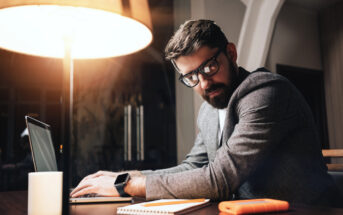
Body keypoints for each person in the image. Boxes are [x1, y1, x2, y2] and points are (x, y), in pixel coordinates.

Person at [71, 19, 341, 207]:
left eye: (209, 67)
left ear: (231, 54)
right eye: (190, 76)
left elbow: (219, 178)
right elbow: (193, 167)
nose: (203, 83)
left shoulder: (266, 93)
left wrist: (126, 185)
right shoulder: (208, 112)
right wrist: (129, 177)